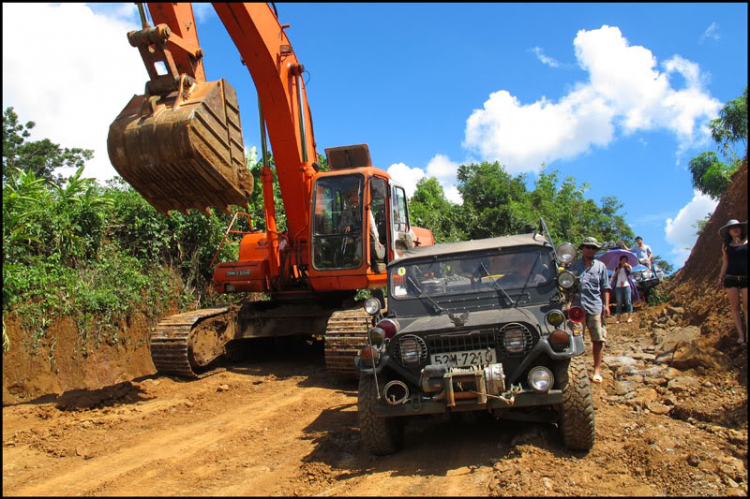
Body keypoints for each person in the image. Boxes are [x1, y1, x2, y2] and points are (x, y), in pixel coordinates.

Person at [569, 236, 611, 384]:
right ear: (583, 248)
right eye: (588, 247)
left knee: (598, 338)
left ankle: (597, 370)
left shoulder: (600, 267)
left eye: (593, 248)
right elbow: (566, 286)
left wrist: (606, 306)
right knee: (575, 338)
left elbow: (605, 287)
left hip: (595, 306)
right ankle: (577, 372)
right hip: (577, 307)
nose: (590, 250)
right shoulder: (573, 266)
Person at [717, 219, 748, 345]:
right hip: (730, 278)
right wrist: (720, 278)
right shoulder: (726, 245)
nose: (736, 229)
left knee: (747, 306)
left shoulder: (747, 242)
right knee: (735, 307)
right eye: (733, 228)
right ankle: (741, 336)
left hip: (746, 276)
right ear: (729, 231)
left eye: (738, 227)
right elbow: (725, 262)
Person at [610, 255, 640, 324]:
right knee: (619, 303)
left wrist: (627, 266)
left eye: (625, 260)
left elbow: (631, 271)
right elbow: (613, 277)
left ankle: (630, 317)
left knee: (628, 302)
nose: (623, 261)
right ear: (620, 261)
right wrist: (617, 271)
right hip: (618, 287)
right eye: (622, 260)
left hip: (627, 286)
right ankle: (618, 319)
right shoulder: (616, 268)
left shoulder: (628, 267)